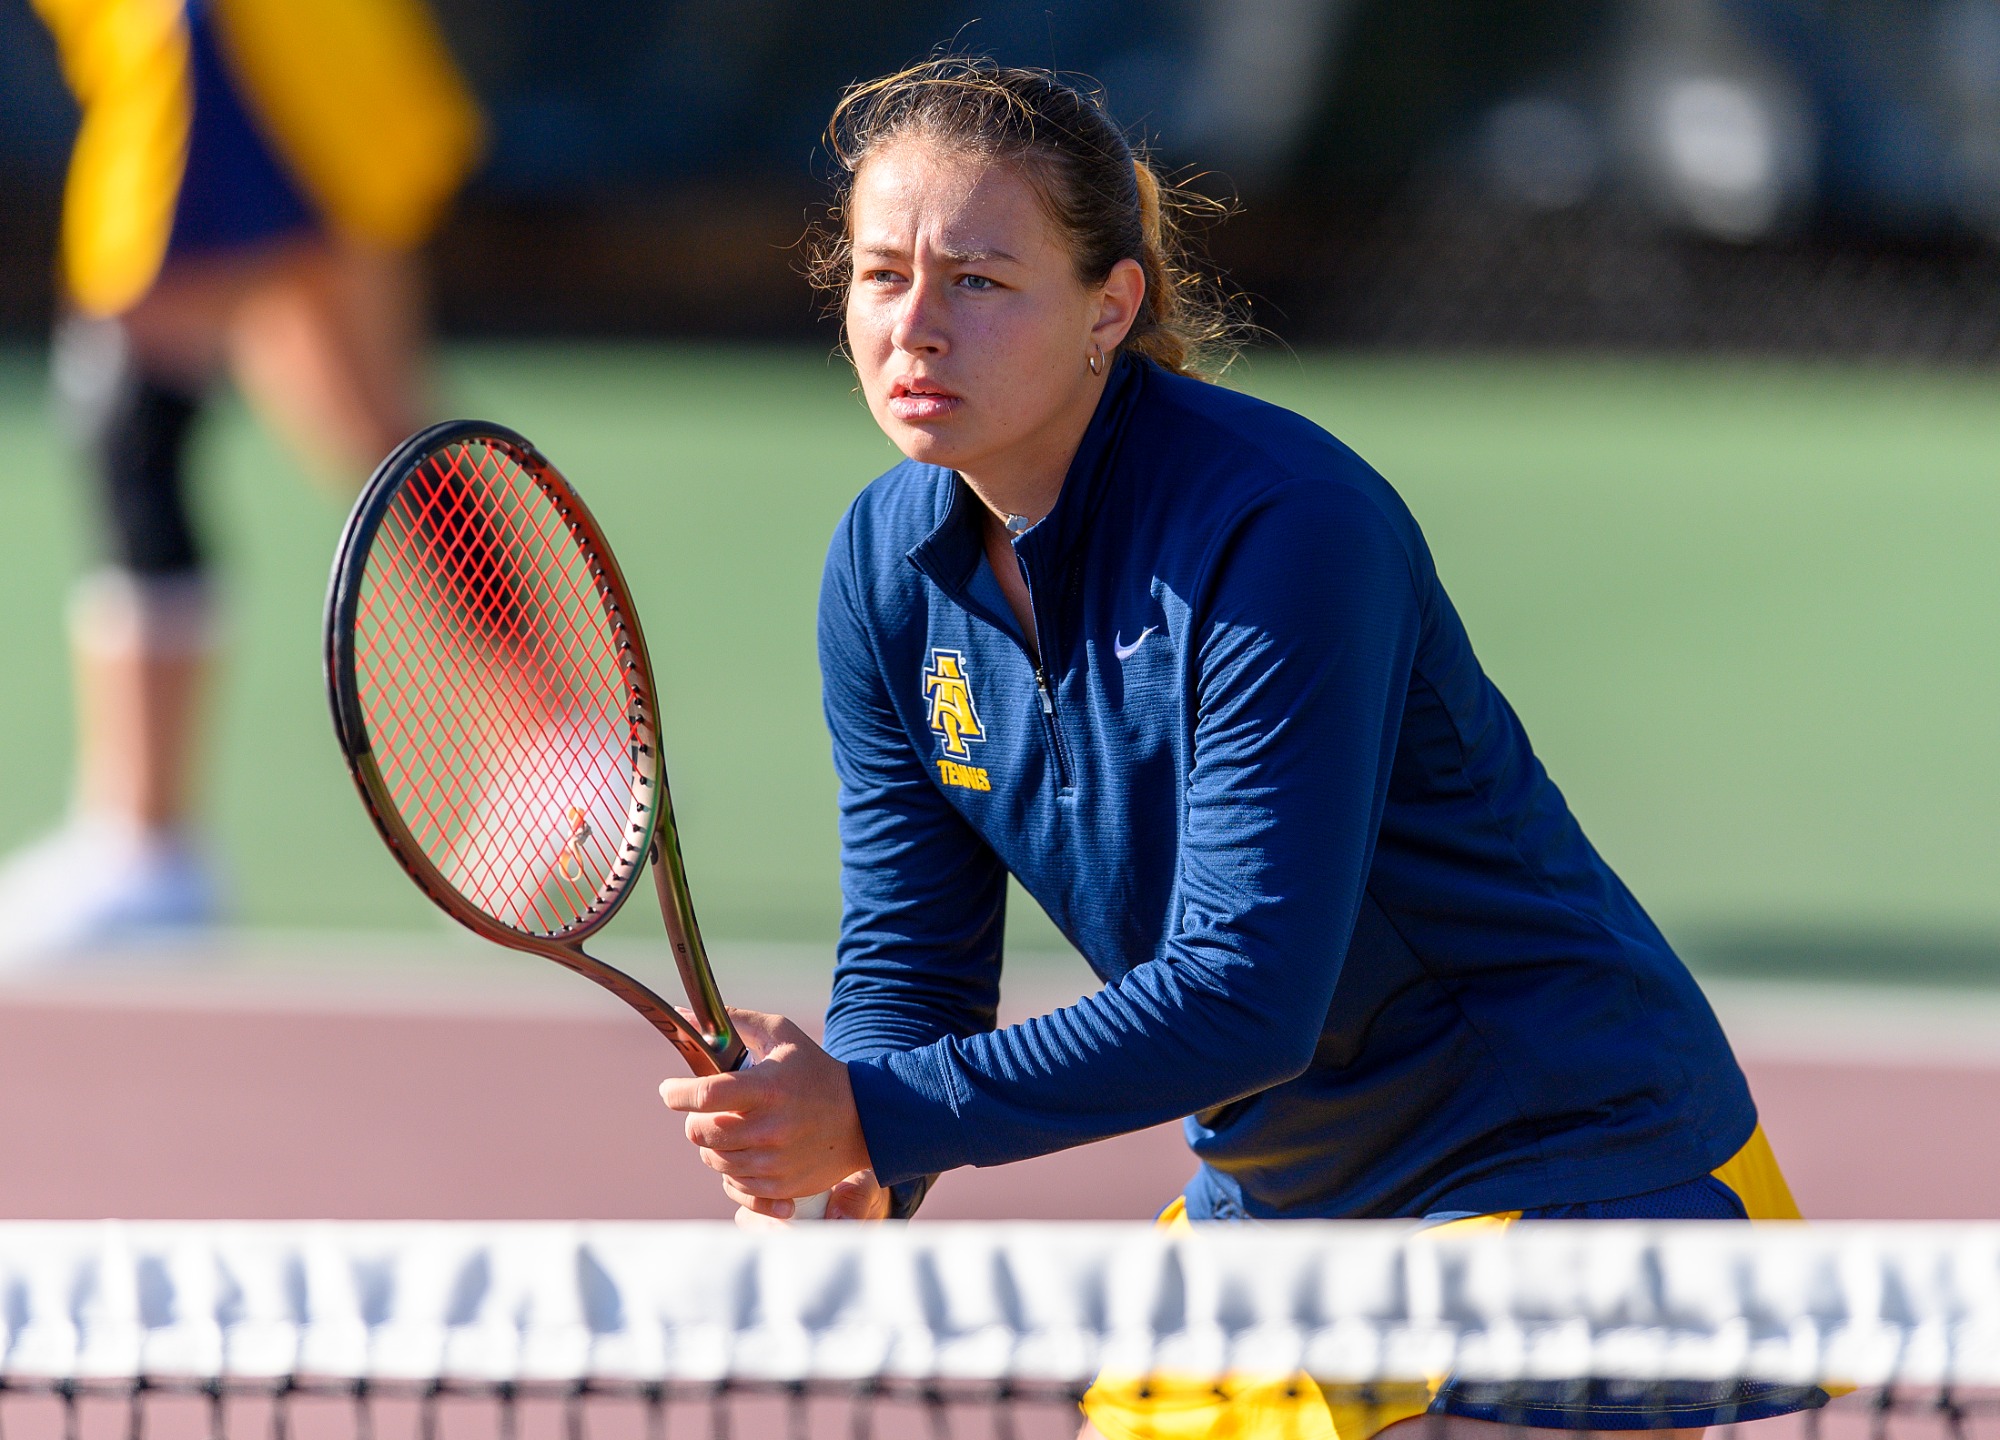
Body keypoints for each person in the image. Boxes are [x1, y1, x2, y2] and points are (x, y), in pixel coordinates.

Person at [659, 58, 1822, 1440]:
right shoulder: (885, 571)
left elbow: (1245, 997)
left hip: (1566, 1163)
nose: (917, 328)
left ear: (1111, 307)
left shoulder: (1285, 528)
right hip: (1285, 1204)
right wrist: (863, 1165)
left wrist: (882, 1112)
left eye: (978, 279)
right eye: (879, 275)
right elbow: (915, 954)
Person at [0, 0, 482, 965]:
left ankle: (143, 840)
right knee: (359, 409)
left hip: (212, 44)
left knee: (134, 401)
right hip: (298, 47)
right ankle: (561, 738)